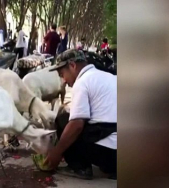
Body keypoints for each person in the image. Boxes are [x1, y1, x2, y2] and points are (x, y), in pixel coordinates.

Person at [45, 49, 117, 179]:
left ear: (72, 66)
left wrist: (57, 152)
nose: (64, 81)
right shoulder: (111, 77)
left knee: (63, 117)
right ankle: (110, 168)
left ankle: (80, 167)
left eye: (62, 74)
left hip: (107, 153)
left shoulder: (82, 82)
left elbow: (77, 124)